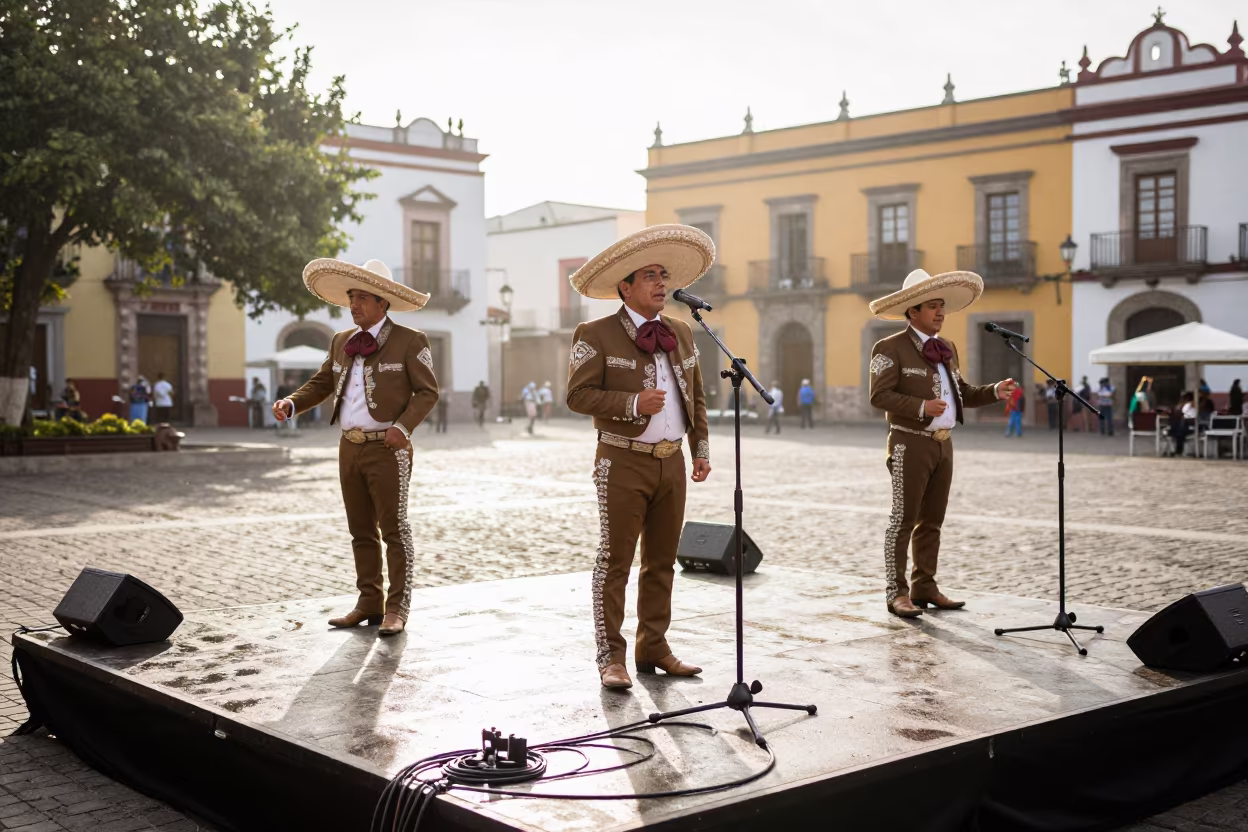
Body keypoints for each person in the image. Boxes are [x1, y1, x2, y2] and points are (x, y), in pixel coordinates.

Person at [565, 224, 712, 690]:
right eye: (649, 275)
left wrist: (700, 449)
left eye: (663, 274)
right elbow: (578, 395)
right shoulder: (595, 333)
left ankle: (654, 646)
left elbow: (698, 397)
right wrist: (631, 404)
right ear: (624, 287)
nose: (660, 283)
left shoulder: (683, 332)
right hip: (621, 459)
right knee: (615, 559)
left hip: (671, 462)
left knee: (663, 560)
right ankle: (611, 655)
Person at [273, 258, 438, 637]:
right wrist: (291, 403)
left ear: (383, 303)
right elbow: (320, 383)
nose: (354, 304)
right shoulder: (339, 341)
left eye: (362, 297)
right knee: (360, 530)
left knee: (394, 529)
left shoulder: (410, 340)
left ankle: (396, 607)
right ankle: (369, 602)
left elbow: (428, 392)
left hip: (388, 448)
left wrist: (403, 427)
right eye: (351, 297)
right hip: (349, 446)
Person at [867, 268, 1016, 618]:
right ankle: (896, 592)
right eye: (933, 306)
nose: (940, 312)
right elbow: (879, 396)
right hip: (908, 443)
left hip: (943, 445)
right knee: (903, 518)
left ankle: (925, 586)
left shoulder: (947, 348)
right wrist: (921, 407)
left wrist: (995, 391)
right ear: (913, 311)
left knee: (933, 520)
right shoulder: (889, 347)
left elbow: (962, 394)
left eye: (942, 306)